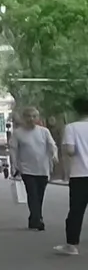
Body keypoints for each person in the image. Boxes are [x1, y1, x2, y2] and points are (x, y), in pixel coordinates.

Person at [11, 106, 59, 231]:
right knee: (32, 194)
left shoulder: (44, 131)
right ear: (23, 118)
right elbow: (14, 150)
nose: (31, 119)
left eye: (34, 116)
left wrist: (54, 155)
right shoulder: (18, 133)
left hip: (43, 168)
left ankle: (34, 218)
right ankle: (38, 219)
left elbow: (52, 145)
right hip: (27, 169)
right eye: (28, 116)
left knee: (39, 195)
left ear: (38, 118)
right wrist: (15, 165)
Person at [55, 95, 88, 255]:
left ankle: (71, 245)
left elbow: (70, 150)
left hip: (79, 174)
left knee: (76, 211)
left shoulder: (71, 127)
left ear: (76, 110)